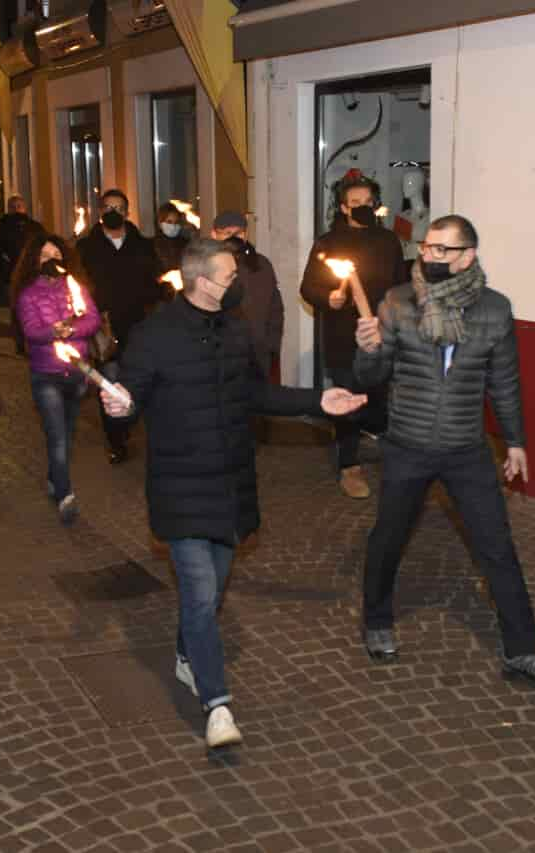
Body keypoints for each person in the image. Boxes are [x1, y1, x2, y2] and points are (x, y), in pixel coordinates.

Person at [102, 239, 368, 749]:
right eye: (229, 277)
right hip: (180, 486)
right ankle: (217, 704)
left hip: (231, 484)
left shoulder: (236, 327)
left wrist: (319, 400)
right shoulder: (155, 336)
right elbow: (128, 398)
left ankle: (187, 655)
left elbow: (257, 395)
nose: (237, 285)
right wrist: (118, 407)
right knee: (200, 593)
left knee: (213, 590)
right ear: (200, 283)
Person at [353, 215, 535, 683]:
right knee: (388, 538)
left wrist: (515, 441)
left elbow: (503, 381)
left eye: (441, 251)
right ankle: (378, 621)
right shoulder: (398, 301)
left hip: (466, 448)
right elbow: (370, 380)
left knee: (497, 548)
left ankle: (522, 649)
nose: (429, 257)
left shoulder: (494, 310)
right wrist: (367, 349)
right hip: (407, 443)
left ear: (468, 256)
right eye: (426, 248)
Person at [301, 169, 406, 499]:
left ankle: (395, 461)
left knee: (381, 399)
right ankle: (349, 467)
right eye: (354, 202)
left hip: (382, 334)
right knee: (348, 400)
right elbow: (309, 286)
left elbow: (401, 284)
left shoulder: (388, 241)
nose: (362, 206)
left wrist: (397, 318)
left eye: (367, 201)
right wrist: (327, 298)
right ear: (344, 207)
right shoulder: (328, 242)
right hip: (343, 337)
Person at [14, 235, 101, 524]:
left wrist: (71, 331)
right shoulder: (28, 294)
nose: (51, 260)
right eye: (44, 255)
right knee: (57, 436)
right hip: (46, 374)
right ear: (35, 261)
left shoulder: (75, 287)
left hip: (76, 372)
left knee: (68, 430)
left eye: (56, 254)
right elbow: (31, 331)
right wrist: (54, 331)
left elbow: (92, 320)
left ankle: (55, 477)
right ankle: (65, 495)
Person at [76, 189, 162, 464]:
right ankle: (116, 438)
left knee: (138, 380)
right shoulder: (86, 248)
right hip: (104, 327)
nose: (113, 211)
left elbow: (156, 282)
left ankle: (131, 424)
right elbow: (78, 284)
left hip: (138, 327)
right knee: (110, 380)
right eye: (108, 207)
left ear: (127, 212)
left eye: (119, 207)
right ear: (100, 212)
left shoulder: (142, 245)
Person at [210, 211, 283, 383]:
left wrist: (271, 345)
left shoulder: (261, 265)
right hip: (219, 354)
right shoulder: (205, 265)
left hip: (257, 353)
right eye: (227, 233)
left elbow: (275, 307)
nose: (233, 237)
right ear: (214, 235)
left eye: (239, 232)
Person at [153, 201, 190, 275]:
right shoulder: (151, 245)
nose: (173, 226)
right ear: (160, 223)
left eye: (176, 222)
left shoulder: (186, 244)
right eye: (169, 222)